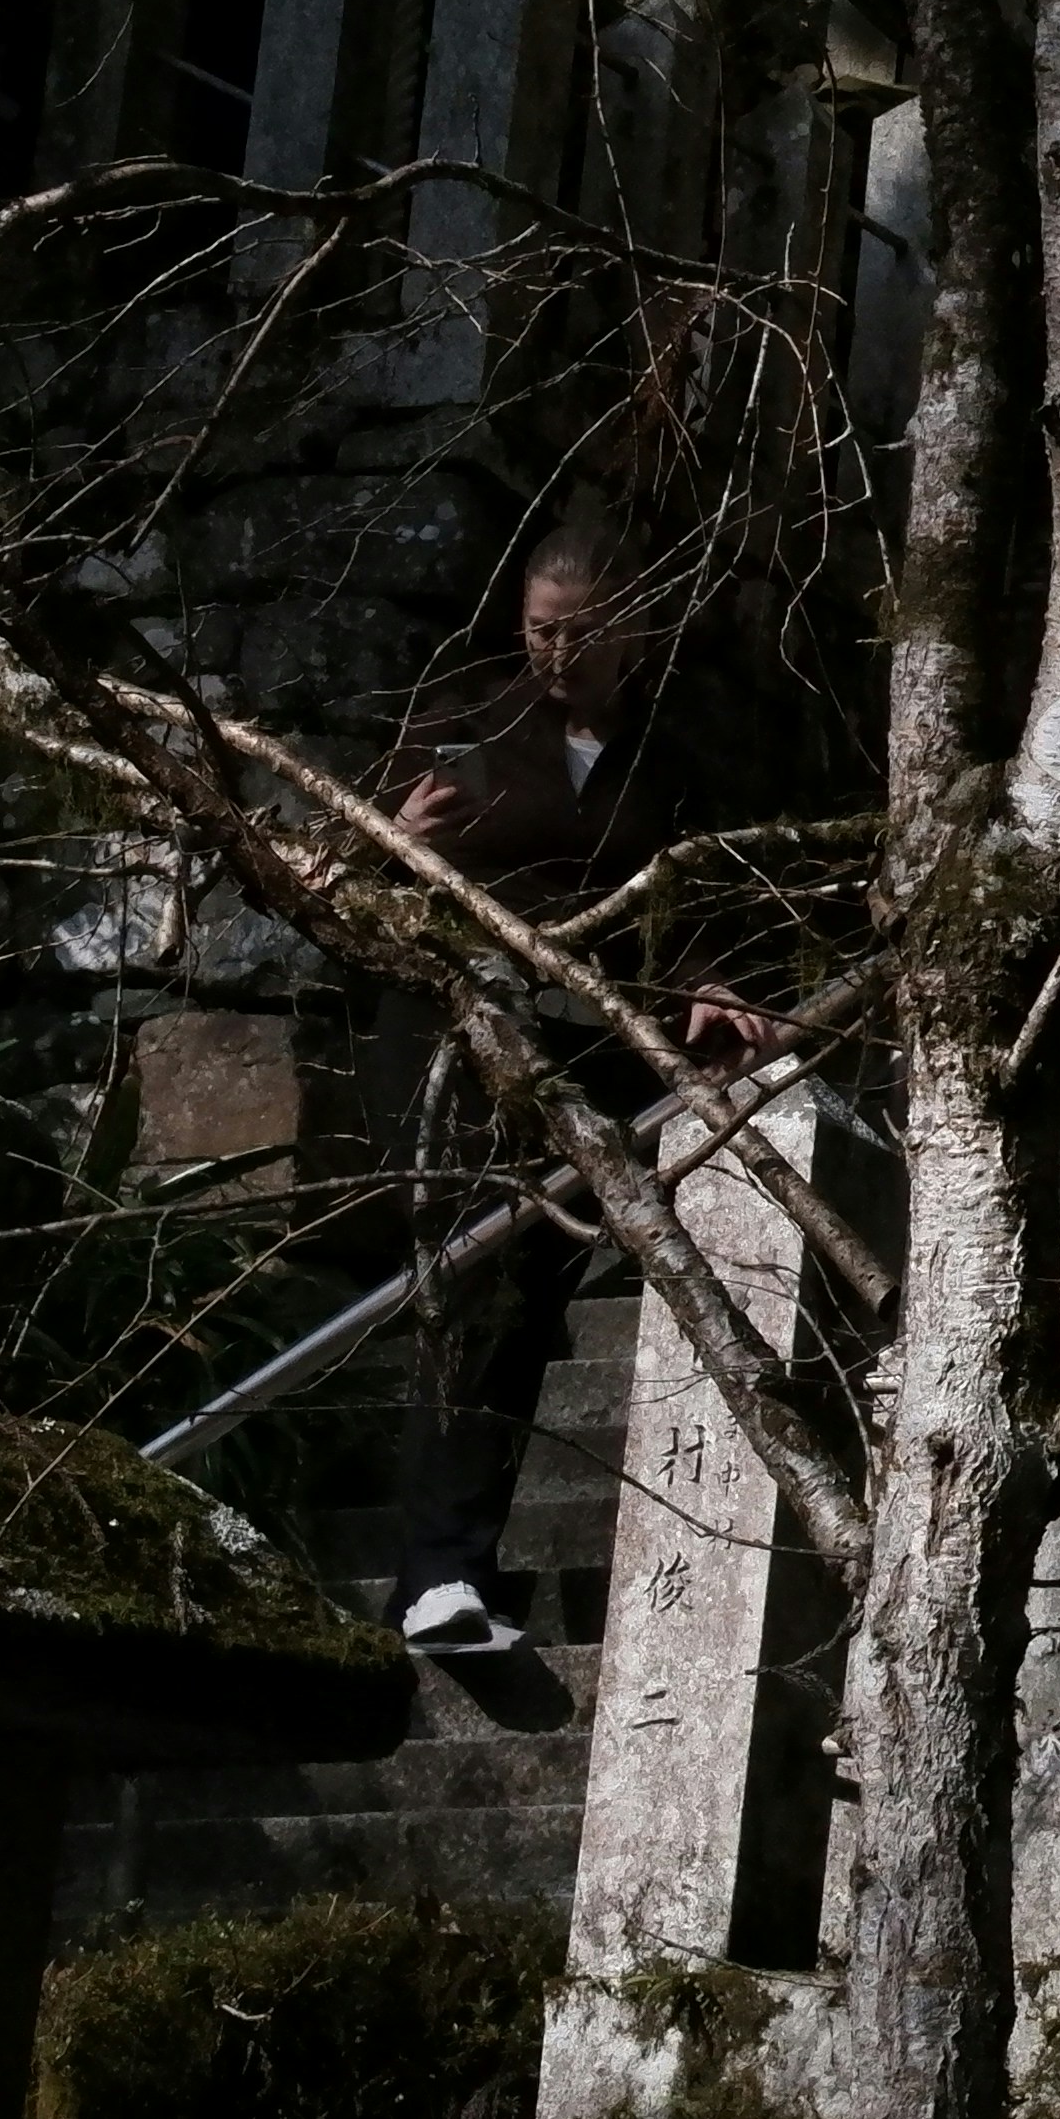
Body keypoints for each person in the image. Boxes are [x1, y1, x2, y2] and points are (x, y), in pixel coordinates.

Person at [373, 511, 783, 1658]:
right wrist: (397, 836)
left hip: (601, 1043)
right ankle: (437, 1575)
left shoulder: (672, 747)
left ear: (633, 630)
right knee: (477, 1285)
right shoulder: (470, 716)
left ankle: (468, 1567)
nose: (556, 654)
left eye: (581, 632)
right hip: (478, 1036)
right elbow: (378, 871)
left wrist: (708, 981)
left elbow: (692, 896)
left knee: (538, 1294)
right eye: (539, 631)